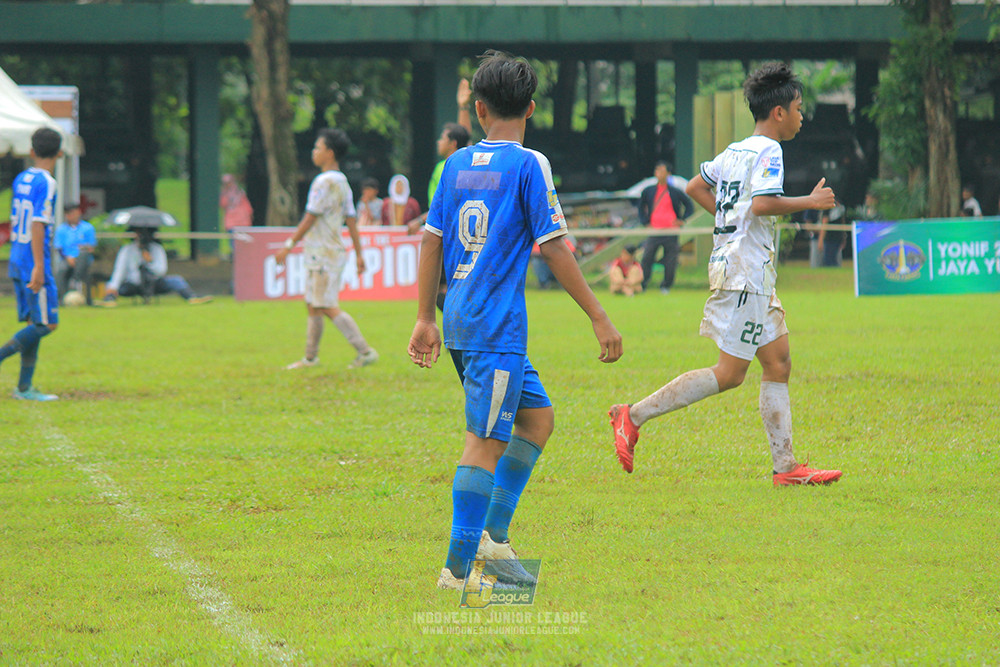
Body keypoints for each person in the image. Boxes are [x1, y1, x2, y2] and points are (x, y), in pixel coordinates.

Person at [407, 50, 623, 591]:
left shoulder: (456, 165)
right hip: (494, 326)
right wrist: (599, 317)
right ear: (530, 109)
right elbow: (554, 248)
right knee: (483, 441)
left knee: (537, 419)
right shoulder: (530, 164)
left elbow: (430, 239)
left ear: (478, 110)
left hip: (458, 316)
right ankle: (458, 573)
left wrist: (423, 318)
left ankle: (494, 543)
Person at [609, 61, 842, 487]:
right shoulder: (771, 151)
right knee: (730, 373)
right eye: (798, 107)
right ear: (778, 113)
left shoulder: (736, 150)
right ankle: (632, 415)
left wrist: (727, 221)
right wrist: (809, 201)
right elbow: (763, 204)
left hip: (747, 271)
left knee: (779, 362)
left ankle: (786, 468)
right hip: (745, 273)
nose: (801, 115)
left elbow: (696, 186)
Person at [275, 128, 378, 371]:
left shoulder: (323, 182)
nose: (314, 152)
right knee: (313, 303)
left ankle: (365, 351)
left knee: (325, 305)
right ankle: (310, 358)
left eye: (318, 148)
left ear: (329, 153)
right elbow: (351, 219)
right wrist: (359, 254)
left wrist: (288, 246)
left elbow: (310, 218)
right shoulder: (342, 181)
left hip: (323, 253)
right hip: (327, 252)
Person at [0, 127, 63, 401]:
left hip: (17, 256)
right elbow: (38, 223)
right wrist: (39, 265)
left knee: (33, 320)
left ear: (32, 151)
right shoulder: (47, 182)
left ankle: (24, 387)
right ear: (60, 153)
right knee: (47, 324)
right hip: (33, 259)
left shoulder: (21, 178)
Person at [99, 228, 213, 306]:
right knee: (117, 287)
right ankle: (109, 300)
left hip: (154, 282)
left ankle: (191, 297)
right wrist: (112, 287)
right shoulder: (127, 250)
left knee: (176, 280)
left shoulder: (157, 249)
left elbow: (161, 270)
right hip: (134, 284)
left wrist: (150, 261)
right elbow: (120, 271)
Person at [637, 161, 694, 294]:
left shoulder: (674, 191)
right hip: (655, 230)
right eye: (657, 170)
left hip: (671, 230)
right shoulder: (649, 191)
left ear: (668, 174)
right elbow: (641, 207)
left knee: (670, 259)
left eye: (662, 170)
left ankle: (666, 285)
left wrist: (682, 220)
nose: (659, 173)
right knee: (647, 257)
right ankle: (643, 283)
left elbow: (689, 205)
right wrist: (645, 222)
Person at [54, 202, 97, 305]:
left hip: (83, 259)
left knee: (82, 256)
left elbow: (91, 247)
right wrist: (68, 258)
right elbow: (59, 248)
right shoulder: (61, 230)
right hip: (67, 259)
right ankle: (62, 299)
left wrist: (81, 251)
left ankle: (75, 280)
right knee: (61, 270)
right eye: (70, 214)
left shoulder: (87, 228)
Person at [817, 202, 847, 267]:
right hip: (838, 236)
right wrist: (844, 237)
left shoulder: (828, 205)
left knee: (829, 260)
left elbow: (825, 222)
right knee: (833, 259)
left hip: (830, 238)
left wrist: (820, 240)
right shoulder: (839, 205)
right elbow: (843, 221)